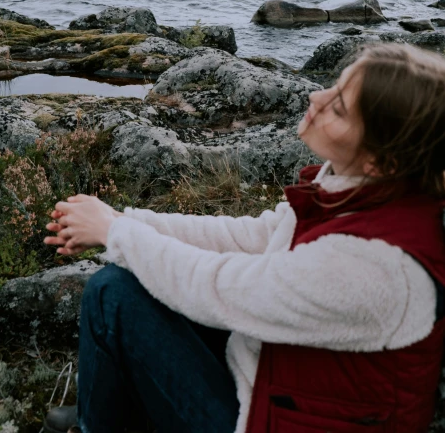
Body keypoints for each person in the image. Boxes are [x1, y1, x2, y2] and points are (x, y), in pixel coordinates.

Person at [43, 43, 445, 433]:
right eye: (335, 86)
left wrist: (116, 233)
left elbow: (219, 288)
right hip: (278, 383)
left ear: (381, 158)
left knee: (113, 294)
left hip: (275, 417)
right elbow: (248, 237)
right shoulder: (360, 186)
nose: (316, 96)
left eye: (339, 107)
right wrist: (122, 218)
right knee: (130, 279)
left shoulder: (378, 267)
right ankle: (114, 409)